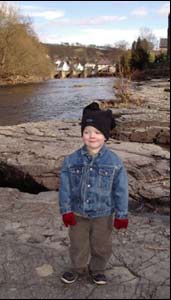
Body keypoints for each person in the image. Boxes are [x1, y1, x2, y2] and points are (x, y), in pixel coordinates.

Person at [58, 102, 128, 285]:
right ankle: (77, 268)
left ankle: (98, 269)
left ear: (105, 136)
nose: (92, 136)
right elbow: (65, 187)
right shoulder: (71, 160)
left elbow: (121, 190)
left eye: (97, 132)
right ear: (82, 133)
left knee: (101, 245)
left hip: (103, 214)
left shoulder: (114, 161)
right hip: (78, 212)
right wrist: (66, 210)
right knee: (78, 244)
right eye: (87, 131)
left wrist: (121, 215)